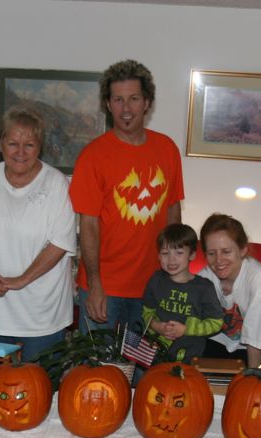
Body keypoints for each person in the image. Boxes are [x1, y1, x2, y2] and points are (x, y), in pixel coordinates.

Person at [69, 59, 184, 334]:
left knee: (148, 374)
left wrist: (174, 274)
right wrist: (95, 284)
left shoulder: (167, 149)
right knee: (99, 374)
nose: (126, 108)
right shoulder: (93, 156)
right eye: (118, 100)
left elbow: (173, 212)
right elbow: (88, 225)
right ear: (108, 105)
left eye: (133, 98)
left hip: (153, 287)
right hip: (105, 289)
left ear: (147, 102)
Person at [0, 107, 76, 361]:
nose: (21, 152)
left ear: (40, 146)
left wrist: (22, 280)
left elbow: (59, 243)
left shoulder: (56, 183)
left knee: (39, 386)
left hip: (43, 309)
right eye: (13, 143)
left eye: (29, 144)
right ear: (1, 144)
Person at [197, 213, 261, 368]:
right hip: (217, 338)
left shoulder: (259, 282)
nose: (218, 260)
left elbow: (256, 335)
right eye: (212, 253)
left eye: (226, 252)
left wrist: (251, 377)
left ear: (242, 250)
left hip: (256, 345)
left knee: (242, 383)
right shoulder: (205, 277)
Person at [141, 223, 224, 363]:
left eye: (179, 253)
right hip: (156, 355)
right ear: (159, 255)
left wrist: (186, 329)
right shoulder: (155, 280)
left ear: (191, 255)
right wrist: (156, 326)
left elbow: (216, 323)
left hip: (191, 357)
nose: (171, 259)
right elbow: (147, 311)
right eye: (165, 253)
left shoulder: (204, 288)